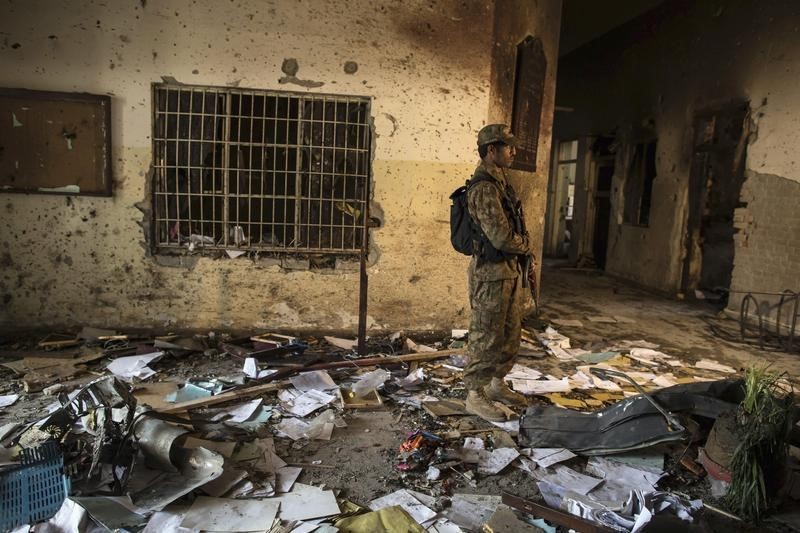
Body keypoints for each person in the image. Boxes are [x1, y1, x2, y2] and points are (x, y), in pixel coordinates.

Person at [464, 124, 534, 422]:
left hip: (508, 272)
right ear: (491, 150)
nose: (513, 152)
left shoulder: (501, 182)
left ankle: (495, 384)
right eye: (508, 147)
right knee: (486, 336)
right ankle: (474, 395)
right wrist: (527, 246)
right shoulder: (484, 188)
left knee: (509, 333)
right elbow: (501, 237)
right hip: (491, 275)